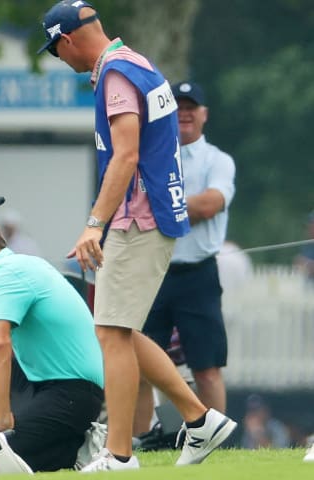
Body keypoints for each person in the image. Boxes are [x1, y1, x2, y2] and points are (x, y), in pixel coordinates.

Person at [37, 1, 236, 471]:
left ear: (66, 40)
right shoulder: (138, 62)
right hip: (152, 215)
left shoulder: (116, 75)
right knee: (118, 329)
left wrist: (94, 224)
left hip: (138, 218)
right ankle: (199, 417)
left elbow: (126, 155)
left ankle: (121, 454)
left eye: (55, 50)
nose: (60, 59)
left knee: (109, 332)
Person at [0, 218, 104, 472]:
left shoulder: (8, 272)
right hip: (39, 384)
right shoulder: (10, 268)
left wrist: (3, 419)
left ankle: (74, 447)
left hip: (72, 394)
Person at [138, 81, 236, 428]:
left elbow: (211, 204)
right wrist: (178, 208)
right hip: (155, 272)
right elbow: (137, 205)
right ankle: (135, 443)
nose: (184, 114)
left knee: (206, 367)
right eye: (178, 107)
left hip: (198, 274)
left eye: (191, 108)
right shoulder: (152, 155)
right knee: (140, 366)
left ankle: (216, 438)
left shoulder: (218, 160)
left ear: (203, 114)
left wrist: (160, 207)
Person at [293, 211, 314, 282]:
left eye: (311, 226)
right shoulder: (308, 244)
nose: (308, 229)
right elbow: (298, 264)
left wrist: (307, 265)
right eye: (308, 226)